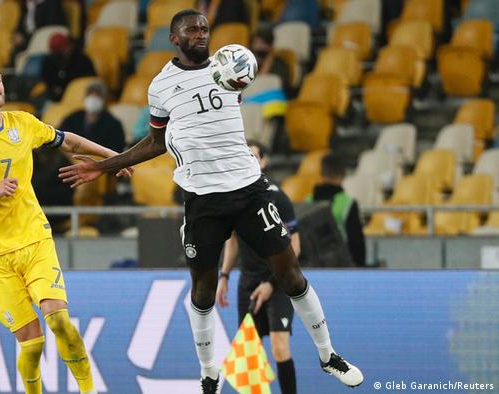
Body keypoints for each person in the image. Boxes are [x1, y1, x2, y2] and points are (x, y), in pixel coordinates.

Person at [58, 10, 363, 393]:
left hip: (249, 189)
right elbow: (155, 141)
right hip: (202, 199)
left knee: (290, 274)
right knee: (201, 292)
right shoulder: (161, 86)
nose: (200, 33)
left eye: (204, 27)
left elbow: (245, 76)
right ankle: (208, 372)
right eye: (192, 29)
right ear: (174, 37)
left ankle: (328, 355)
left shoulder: (228, 64)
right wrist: (105, 166)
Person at [0, 54, 130, 394]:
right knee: (32, 343)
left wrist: (114, 157)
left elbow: (69, 140)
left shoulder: (22, 124)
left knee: (59, 321)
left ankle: (89, 390)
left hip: (34, 239)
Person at [216, 141, 299, 394]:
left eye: (253, 157)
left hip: (280, 280)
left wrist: (271, 283)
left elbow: (295, 248)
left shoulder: (278, 198)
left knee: (279, 346)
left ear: (263, 162)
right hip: (248, 281)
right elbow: (232, 242)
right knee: (249, 352)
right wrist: (224, 275)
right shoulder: (232, 198)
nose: (248, 162)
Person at [310, 154, 366, 266]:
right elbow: (357, 245)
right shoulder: (348, 204)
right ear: (344, 174)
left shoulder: (307, 202)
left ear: (321, 173)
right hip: (341, 269)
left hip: (312, 269)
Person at [59, 81, 126, 154]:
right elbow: (59, 137)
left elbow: (115, 152)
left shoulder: (114, 125)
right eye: (90, 93)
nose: (93, 97)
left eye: (98, 94)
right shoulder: (73, 117)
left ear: (105, 99)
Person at [39, 32, 96, 102]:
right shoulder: (48, 62)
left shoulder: (82, 61)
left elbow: (91, 81)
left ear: (69, 45)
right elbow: (47, 82)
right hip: (54, 99)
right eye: (56, 51)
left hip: (79, 97)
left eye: (62, 48)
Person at [251, 26, 292, 98]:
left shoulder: (280, 64)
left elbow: (281, 85)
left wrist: (268, 62)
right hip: (250, 97)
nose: (258, 46)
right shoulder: (248, 63)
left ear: (270, 45)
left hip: (273, 98)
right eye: (255, 43)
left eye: (262, 43)